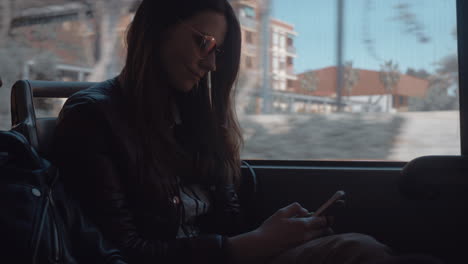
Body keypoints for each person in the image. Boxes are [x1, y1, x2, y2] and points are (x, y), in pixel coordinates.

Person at [50, 0, 399, 263]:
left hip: (228, 255)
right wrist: (249, 244)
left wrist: (271, 233)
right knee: (360, 253)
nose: (212, 64)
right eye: (204, 43)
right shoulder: (93, 118)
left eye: (218, 51)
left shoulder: (191, 114)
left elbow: (226, 220)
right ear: (156, 30)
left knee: (369, 250)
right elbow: (122, 251)